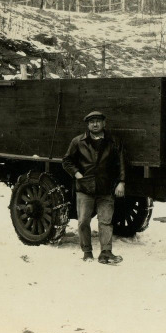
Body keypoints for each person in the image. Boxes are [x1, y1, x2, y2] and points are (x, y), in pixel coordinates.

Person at [62, 111, 127, 264]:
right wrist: (77, 174)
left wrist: (121, 182)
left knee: (105, 221)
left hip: (106, 188)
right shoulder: (78, 141)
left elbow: (121, 163)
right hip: (85, 189)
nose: (95, 124)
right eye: (92, 122)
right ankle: (87, 252)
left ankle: (106, 253)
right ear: (88, 125)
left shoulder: (114, 141)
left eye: (98, 121)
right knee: (83, 221)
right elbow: (66, 161)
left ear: (104, 123)